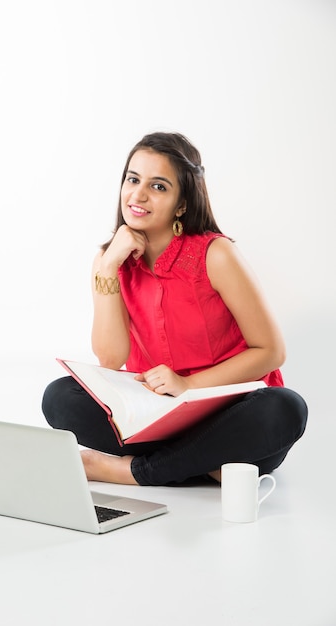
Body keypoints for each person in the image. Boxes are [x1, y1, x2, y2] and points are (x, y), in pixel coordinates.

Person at [42, 131, 308, 486]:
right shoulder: (109, 262)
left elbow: (272, 351)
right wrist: (108, 268)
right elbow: (109, 358)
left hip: (228, 411)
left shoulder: (216, 254)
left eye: (159, 186)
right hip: (155, 414)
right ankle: (199, 465)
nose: (138, 194)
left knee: (286, 409)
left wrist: (188, 384)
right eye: (133, 179)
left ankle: (135, 471)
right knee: (59, 397)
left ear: (181, 204)